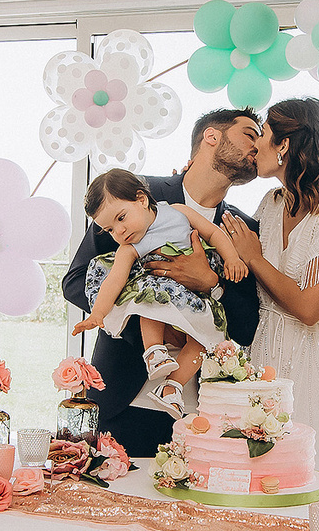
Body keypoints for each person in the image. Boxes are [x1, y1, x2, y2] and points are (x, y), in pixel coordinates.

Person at [59, 108, 265, 457]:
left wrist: (211, 283)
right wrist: (149, 323)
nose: (258, 146)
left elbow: (246, 326)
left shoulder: (242, 229)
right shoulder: (129, 197)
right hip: (123, 400)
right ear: (212, 137)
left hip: (199, 416)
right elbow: (77, 281)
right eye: (250, 134)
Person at [241, 98, 319, 476]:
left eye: (262, 135)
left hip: (311, 363)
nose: (255, 146)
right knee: (254, 476)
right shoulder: (270, 202)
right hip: (260, 356)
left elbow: (311, 310)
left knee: (302, 476)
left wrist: (255, 258)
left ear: (284, 145)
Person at [71, 167, 249, 416]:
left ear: (142, 199)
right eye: (110, 230)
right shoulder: (131, 247)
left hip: (195, 297)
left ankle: (172, 387)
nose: (119, 232)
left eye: (121, 218)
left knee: (204, 337)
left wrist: (231, 258)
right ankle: (154, 352)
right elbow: (114, 279)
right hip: (162, 292)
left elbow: (212, 233)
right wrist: (98, 314)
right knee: (149, 300)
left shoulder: (178, 212)